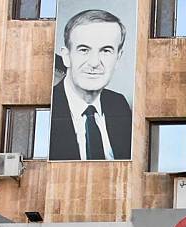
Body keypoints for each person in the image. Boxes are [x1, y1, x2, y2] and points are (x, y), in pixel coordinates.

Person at [50, 9, 132, 160]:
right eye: (84, 50)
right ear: (66, 56)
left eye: (106, 51)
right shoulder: (47, 107)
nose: (94, 63)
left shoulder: (119, 104)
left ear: (118, 58)